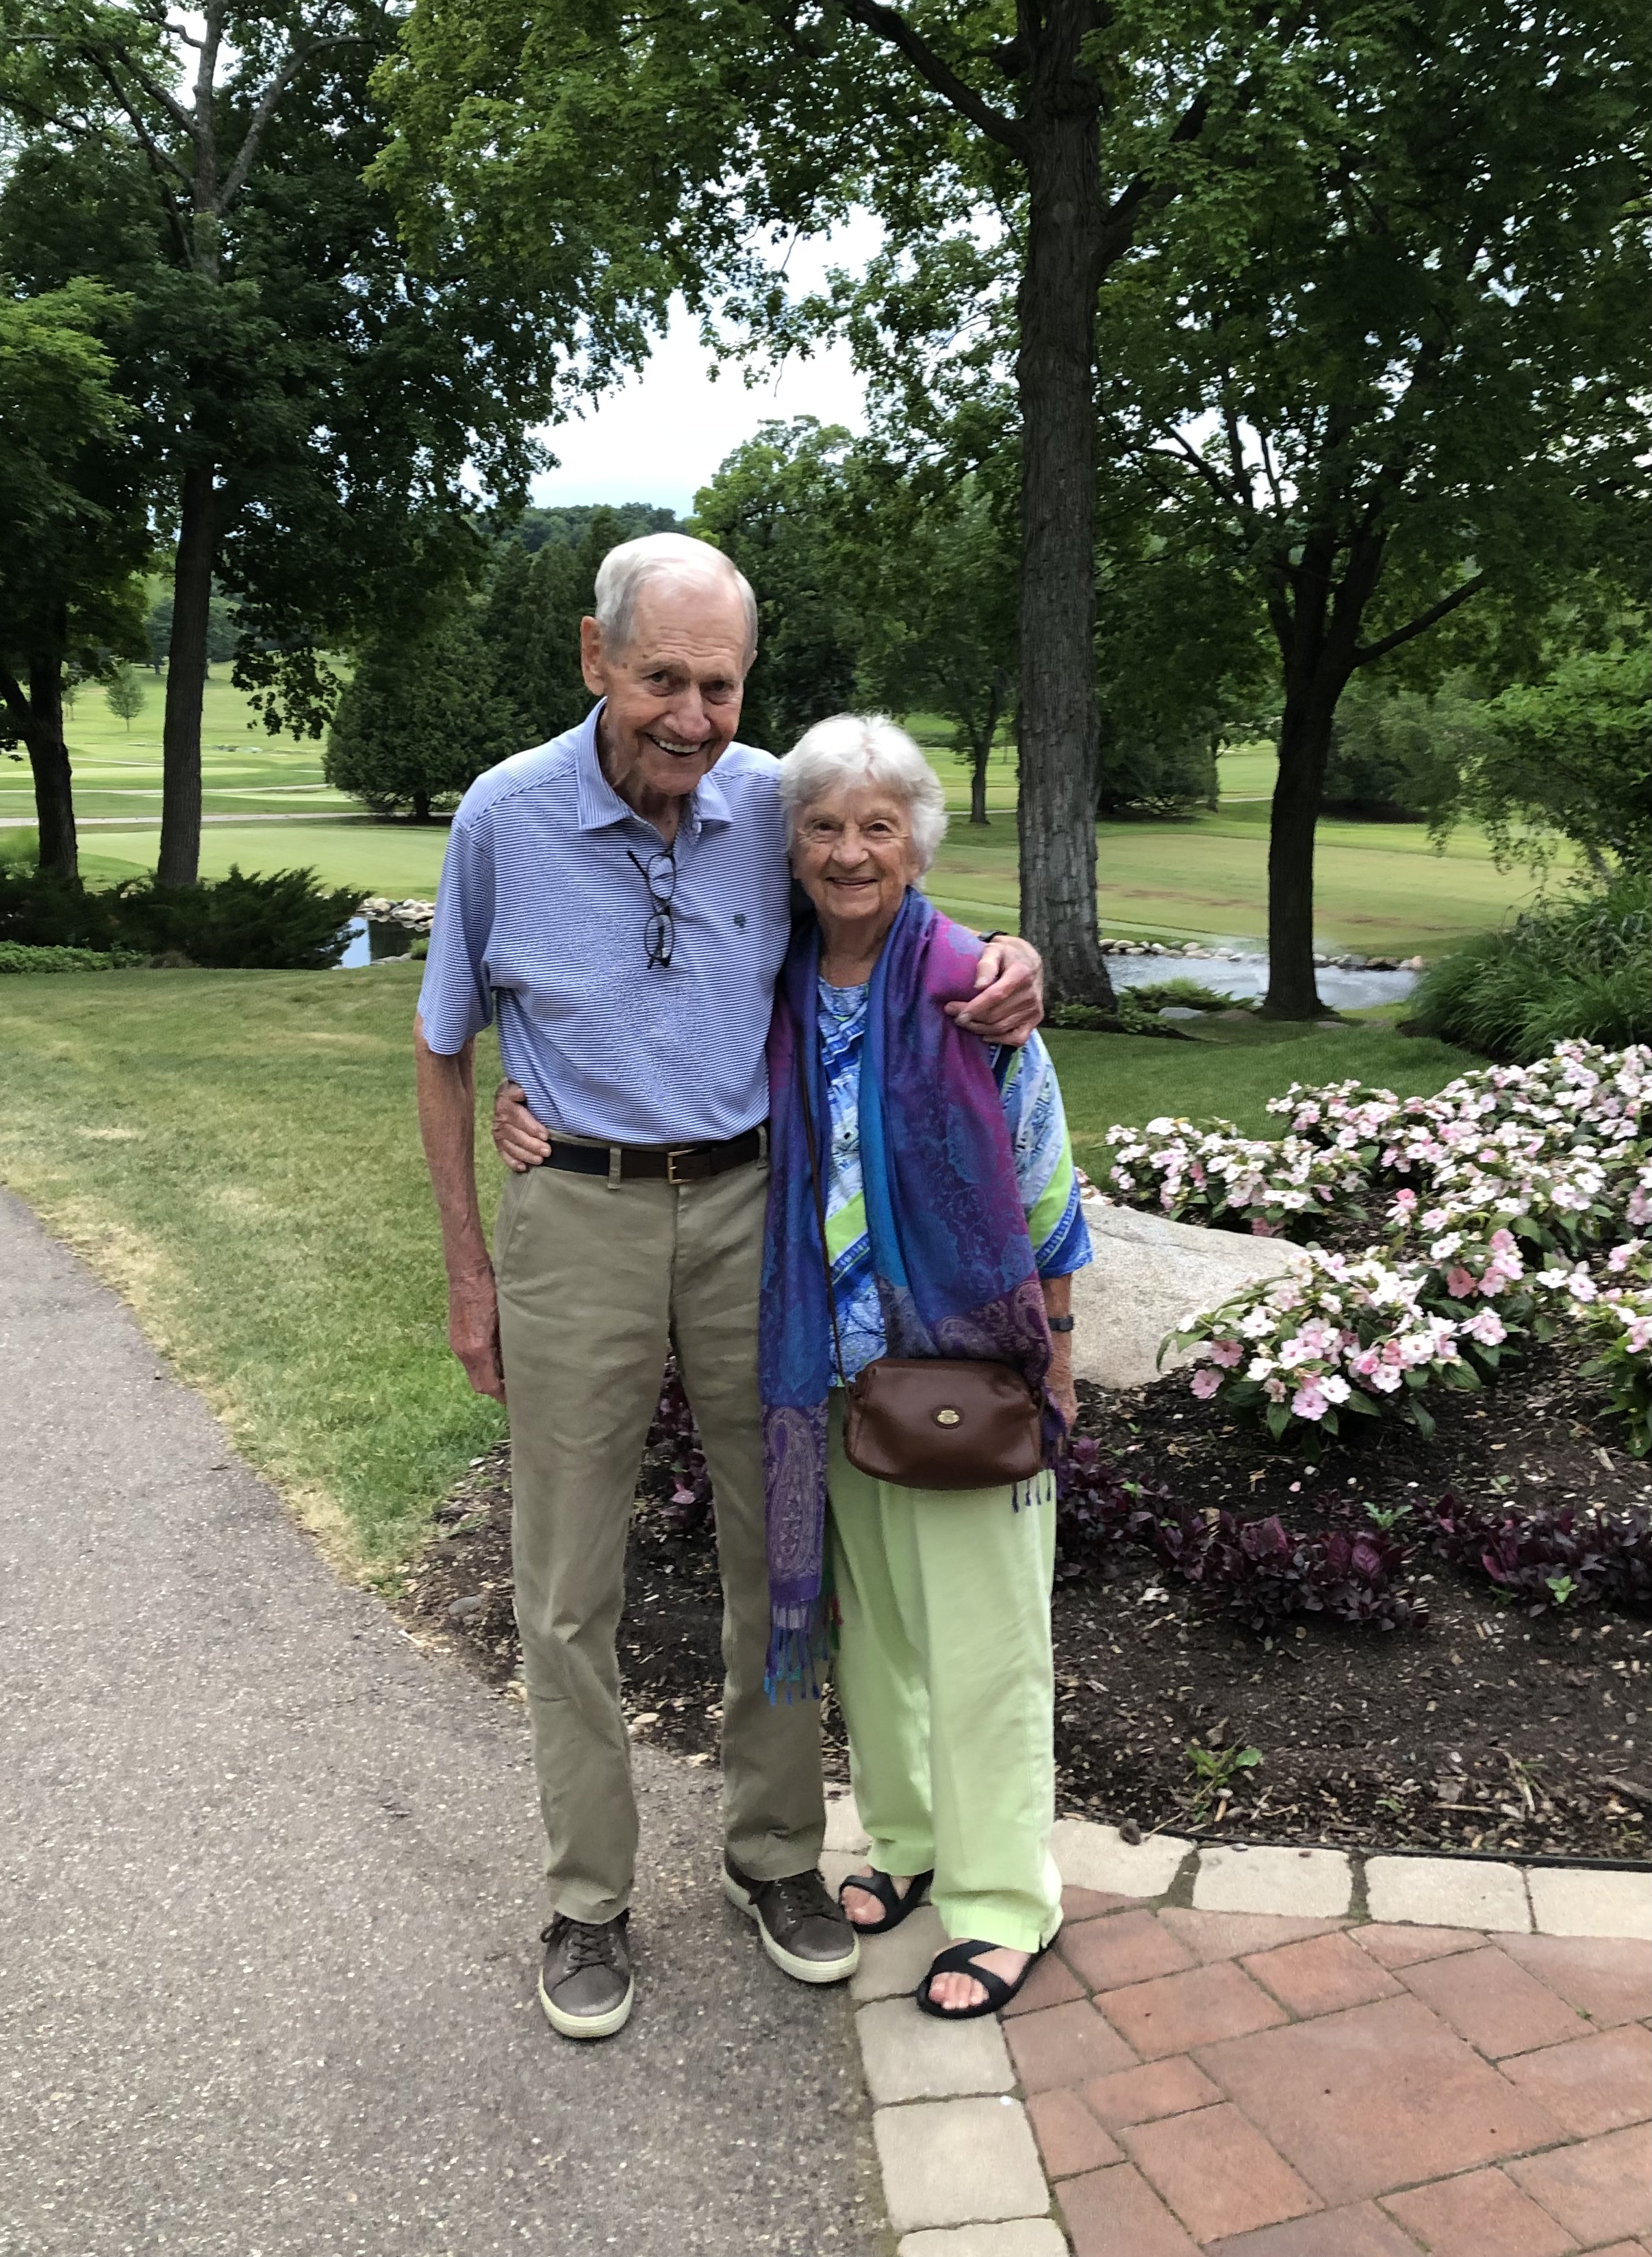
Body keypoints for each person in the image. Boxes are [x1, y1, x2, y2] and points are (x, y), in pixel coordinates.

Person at [416, 533, 1043, 2041]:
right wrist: (469, 1267)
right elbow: (444, 1046)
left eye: (719, 683)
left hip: (756, 1209)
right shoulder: (504, 817)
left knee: (782, 1551)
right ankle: (587, 1900)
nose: (691, 717)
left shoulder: (769, 805)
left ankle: (774, 1860)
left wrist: (1009, 959)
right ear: (593, 660)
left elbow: (883, 903)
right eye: (661, 681)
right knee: (568, 1583)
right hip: (577, 1216)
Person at [761, 714, 1091, 2020]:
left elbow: (1045, 1179)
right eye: (824, 827)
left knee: (986, 1645)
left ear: (916, 845)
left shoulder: (976, 983)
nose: (849, 853)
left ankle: (1006, 1901)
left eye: (876, 828)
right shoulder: (773, 978)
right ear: (790, 846)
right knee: (879, 1632)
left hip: (966, 1369)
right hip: (829, 1369)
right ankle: (901, 1844)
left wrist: (1053, 1355)